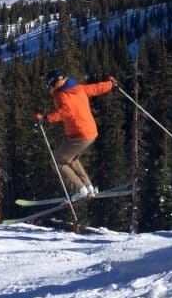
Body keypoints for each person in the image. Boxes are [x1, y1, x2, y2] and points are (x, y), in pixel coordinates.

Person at [36, 69, 116, 201]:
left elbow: (66, 112)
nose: (47, 87)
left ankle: (80, 189)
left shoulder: (63, 95)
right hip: (88, 132)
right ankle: (88, 187)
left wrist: (46, 118)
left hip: (80, 134)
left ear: (54, 82)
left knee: (57, 161)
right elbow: (96, 88)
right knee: (70, 158)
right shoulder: (78, 88)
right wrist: (111, 84)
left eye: (47, 84)